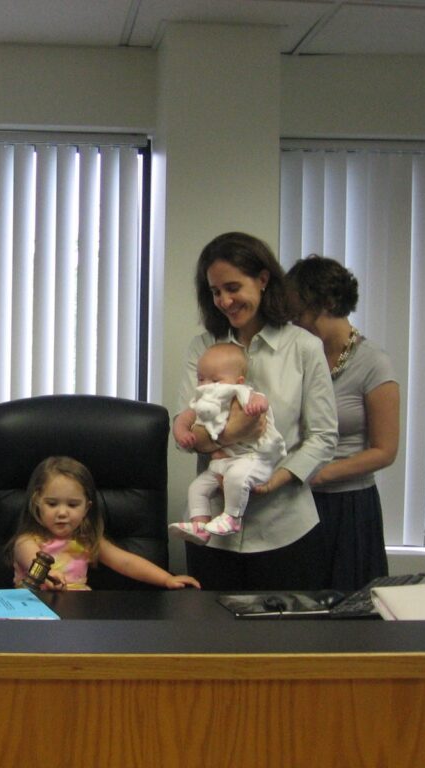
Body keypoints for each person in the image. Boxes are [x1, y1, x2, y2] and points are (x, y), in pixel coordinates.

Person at [177, 232, 338, 591]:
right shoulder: (202, 347)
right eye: (215, 292)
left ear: (263, 279)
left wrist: (274, 481)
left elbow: (323, 436)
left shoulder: (304, 348)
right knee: (209, 625)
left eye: (233, 287)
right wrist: (237, 432)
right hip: (211, 532)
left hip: (285, 528)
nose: (224, 301)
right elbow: (185, 430)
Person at [286, 255, 400, 591]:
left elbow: (384, 451)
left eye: (300, 314)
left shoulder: (374, 362)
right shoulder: (298, 357)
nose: (295, 324)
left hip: (349, 507)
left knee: (349, 607)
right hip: (296, 501)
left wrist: (318, 474)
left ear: (329, 303)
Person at [9, 456, 201, 591]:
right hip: (32, 609)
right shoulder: (27, 541)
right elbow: (34, 560)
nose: (62, 513)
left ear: (86, 508)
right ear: (37, 503)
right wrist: (48, 573)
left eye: (73, 505)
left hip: (75, 612)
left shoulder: (87, 541)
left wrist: (167, 579)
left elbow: (126, 562)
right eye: (52, 504)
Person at [169, 342, 286, 541]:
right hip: (222, 461)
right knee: (197, 488)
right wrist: (181, 432)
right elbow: (184, 417)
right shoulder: (201, 399)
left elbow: (261, 400)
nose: (206, 385)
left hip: (251, 458)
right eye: (201, 378)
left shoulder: (240, 392)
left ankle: (232, 518)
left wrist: (257, 406)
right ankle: (200, 526)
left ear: (238, 381)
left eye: (215, 380)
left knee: (236, 477)